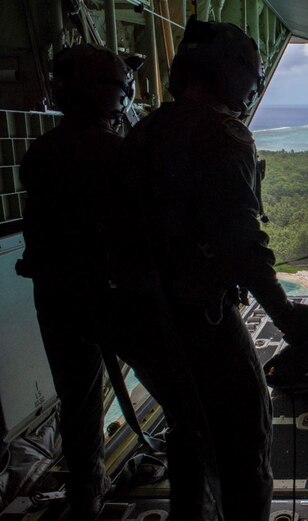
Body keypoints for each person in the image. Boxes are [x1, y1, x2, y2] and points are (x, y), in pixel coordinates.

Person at [107, 17, 308, 520]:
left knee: (189, 430)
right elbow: (242, 245)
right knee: (245, 440)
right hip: (198, 323)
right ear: (236, 75)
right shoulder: (223, 136)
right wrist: (286, 316)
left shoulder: (143, 131)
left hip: (140, 322)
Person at [15, 44, 137, 519]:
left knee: (77, 398)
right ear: (113, 97)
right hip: (114, 295)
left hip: (57, 295)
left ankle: (86, 488)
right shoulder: (116, 153)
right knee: (173, 383)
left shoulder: (41, 152)